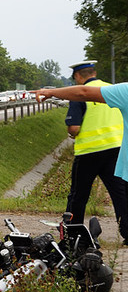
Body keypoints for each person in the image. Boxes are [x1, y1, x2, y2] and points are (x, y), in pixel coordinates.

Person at [51, 60, 128, 244]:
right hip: (115, 149)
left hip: (89, 152)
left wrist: (72, 134)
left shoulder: (80, 95)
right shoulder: (111, 89)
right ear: (93, 72)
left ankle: (74, 235)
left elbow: (74, 127)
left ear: (78, 76)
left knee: (78, 195)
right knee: (120, 193)